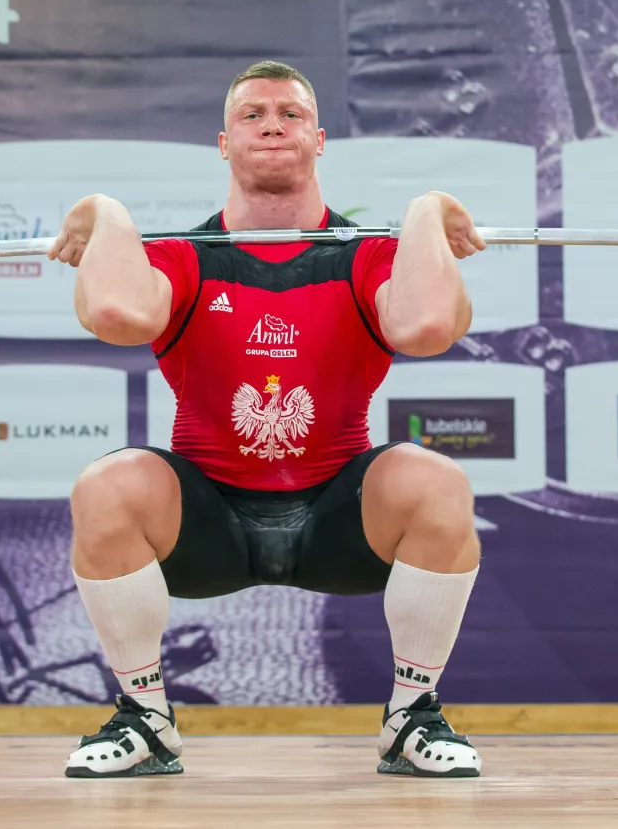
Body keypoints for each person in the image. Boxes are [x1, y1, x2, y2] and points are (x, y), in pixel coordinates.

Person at [46, 60, 486, 779]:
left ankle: (411, 716)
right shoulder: (186, 257)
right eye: (252, 114)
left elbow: (429, 325)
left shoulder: (367, 254)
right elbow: (119, 313)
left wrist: (427, 211)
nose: (272, 122)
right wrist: (105, 213)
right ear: (224, 143)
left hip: (336, 521)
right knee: (107, 484)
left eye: (289, 112)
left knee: (436, 480)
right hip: (207, 522)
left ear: (318, 140)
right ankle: (147, 719)